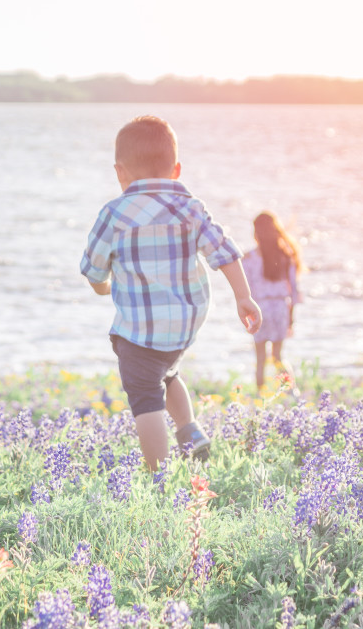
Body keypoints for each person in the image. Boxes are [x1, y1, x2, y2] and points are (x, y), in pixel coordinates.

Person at [80, 116, 262, 471]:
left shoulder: (113, 214)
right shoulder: (191, 208)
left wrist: (103, 287)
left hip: (140, 330)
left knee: (145, 397)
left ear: (120, 172)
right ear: (176, 170)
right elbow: (224, 252)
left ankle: (158, 477)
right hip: (184, 324)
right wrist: (244, 297)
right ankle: (189, 429)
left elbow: (93, 270)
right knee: (166, 371)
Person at [242, 211, 305, 393]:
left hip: (259, 309)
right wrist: (291, 318)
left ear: (256, 233)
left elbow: (246, 291)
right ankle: (292, 392)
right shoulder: (286, 256)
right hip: (280, 308)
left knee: (260, 359)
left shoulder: (249, 258)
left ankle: (260, 397)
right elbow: (294, 291)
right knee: (278, 356)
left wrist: (247, 315)